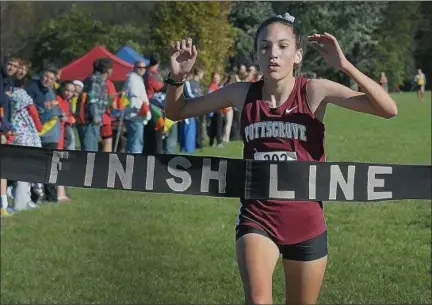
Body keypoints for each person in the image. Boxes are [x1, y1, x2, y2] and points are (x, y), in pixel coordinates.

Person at [164, 13, 397, 305]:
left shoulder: (314, 91)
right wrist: (177, 78)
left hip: (307, 222)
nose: (273, 54)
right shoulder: (242, 93)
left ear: (297, 54)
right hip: (257, 217)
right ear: (256, 56)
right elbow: (176, 112)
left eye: (283, 46)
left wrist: (344, 65)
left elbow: (388, 109)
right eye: (265, 47)